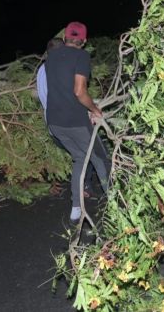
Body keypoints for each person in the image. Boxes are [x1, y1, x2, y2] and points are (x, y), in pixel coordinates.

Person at [45, 22, 111, 222]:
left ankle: (76, 207)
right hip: (74, 121)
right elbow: (79, 91)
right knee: (102, 159)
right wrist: (94, 110)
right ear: (83, 41)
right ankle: (117, 204)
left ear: (65, 38)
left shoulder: (51, 57)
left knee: (80, 158)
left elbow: (61, 88)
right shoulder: (81, 56)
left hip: (55, 123)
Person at [36, 38, 94, 196]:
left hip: (53, 123)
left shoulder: (43, 69)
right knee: (88, 151)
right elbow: (76, 93)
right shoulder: (56, 70)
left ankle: (80, 184)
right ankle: (84, 186)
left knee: (80, 153)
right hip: (65, 121)